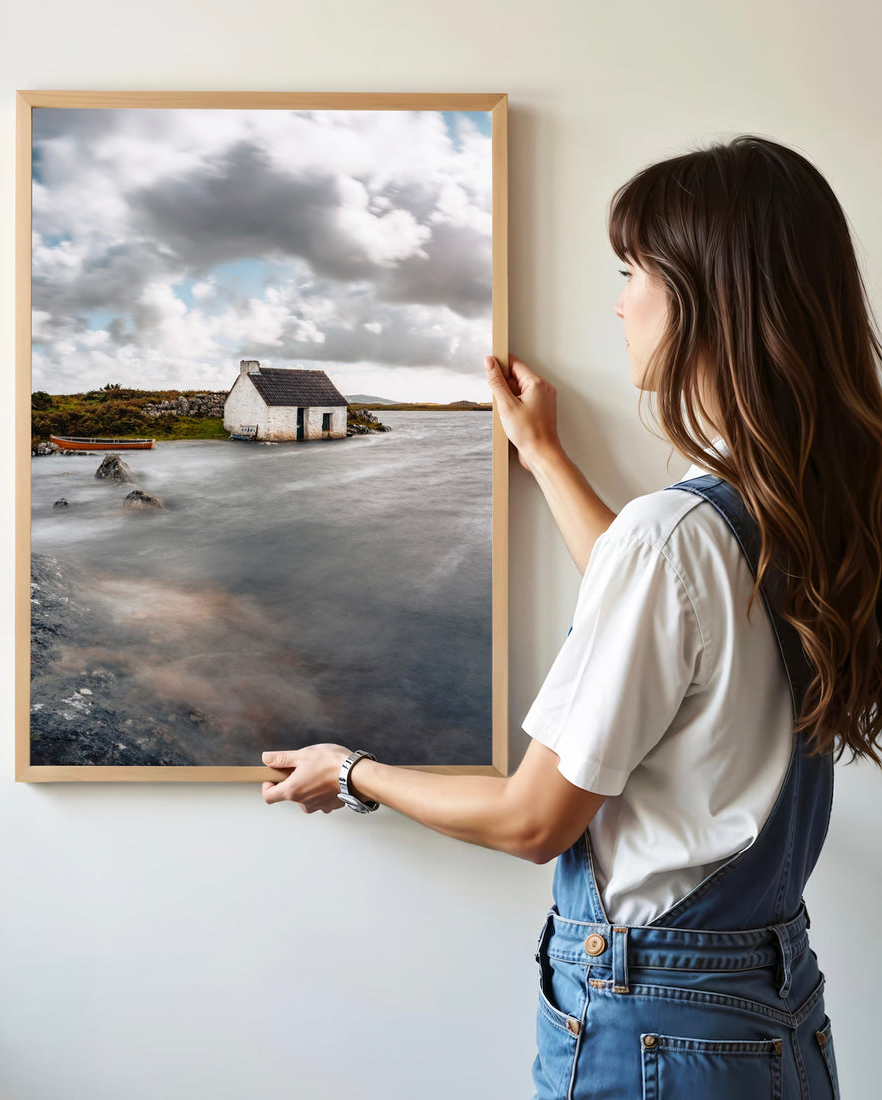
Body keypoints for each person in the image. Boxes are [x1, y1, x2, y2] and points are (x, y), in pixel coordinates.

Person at [259, 134, 882, 1098]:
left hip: (656, 1027)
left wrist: (349, 771)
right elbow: (670, 623)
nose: (620, 299)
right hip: (770, 1010)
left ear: (707, 298)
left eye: (633, 271)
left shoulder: (677, 534)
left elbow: (531, 820)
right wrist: (545, 455)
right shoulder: (802, 507)